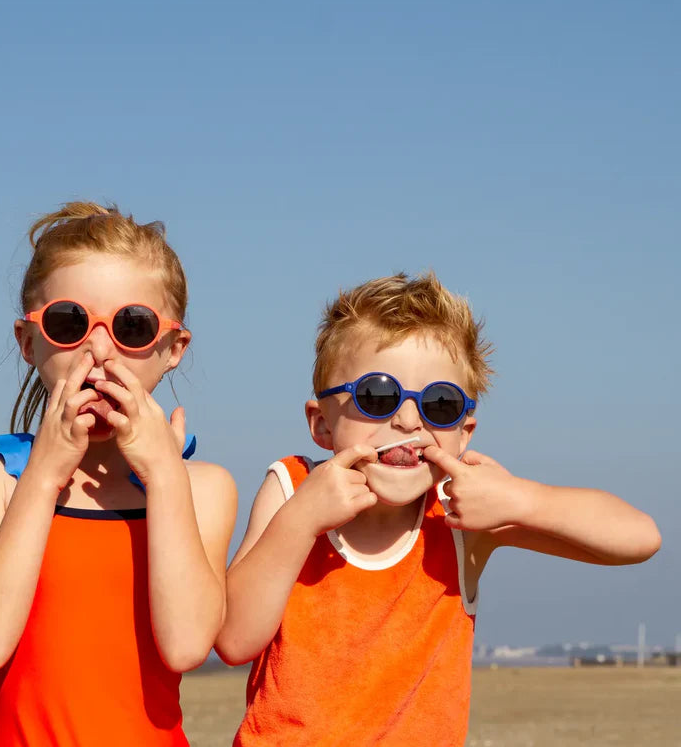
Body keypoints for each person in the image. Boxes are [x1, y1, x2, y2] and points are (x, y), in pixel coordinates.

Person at [217, 271, 661, 746]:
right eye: (377, 396)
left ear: (464, 433)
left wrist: (520, 499)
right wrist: (300, 521)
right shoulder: (292, 489)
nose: (408, 420)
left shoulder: (459, 516)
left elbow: (638, 538)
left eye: (440, 404)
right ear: (321, 424)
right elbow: (234, 640)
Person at [0, 201, 237, 746]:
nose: (100, 349)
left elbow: (186, 645)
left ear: (173, 348)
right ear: (28, 342)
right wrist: (43, 476)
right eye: (69, 322)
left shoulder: (202, 488)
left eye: (132, 326)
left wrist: (164, 477)